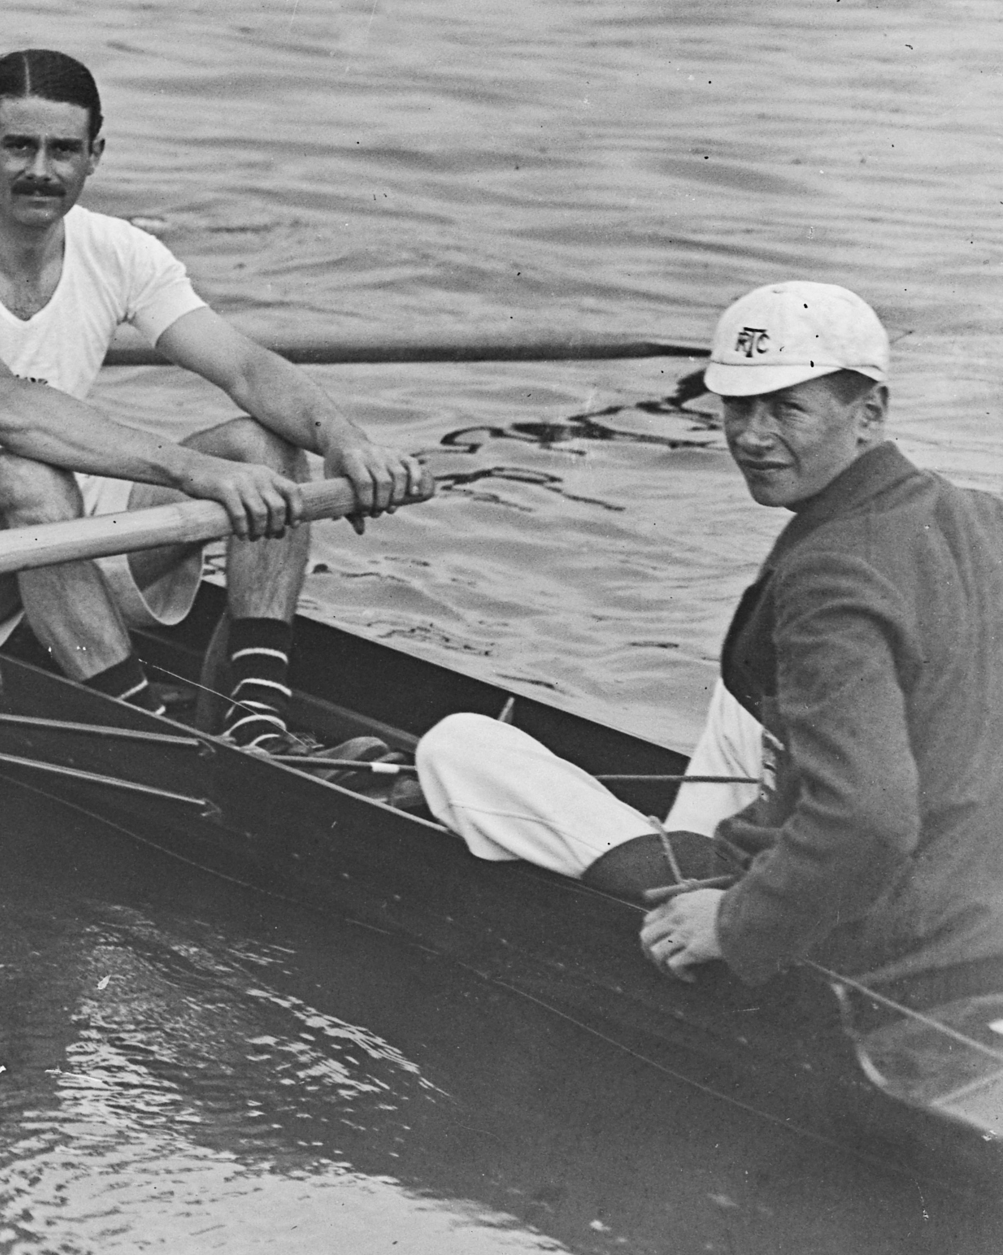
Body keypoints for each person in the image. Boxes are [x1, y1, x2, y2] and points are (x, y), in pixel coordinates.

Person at [413, 283, 1002, 1035]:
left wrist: (735, 923)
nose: (752, 437)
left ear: (872, 413)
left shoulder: (833, 573)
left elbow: (872, 822)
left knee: (457, 745)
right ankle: (691, 850)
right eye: (736, 407)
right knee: (747, 685)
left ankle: (690, 887)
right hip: (978, 928)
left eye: (786, 409)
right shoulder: (981, 516)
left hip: (860, 948)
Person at [0, 48, 422, 747]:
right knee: (31, 474)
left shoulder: (119, 249)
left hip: (55, 515)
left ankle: (258, 717)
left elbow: (247, 370)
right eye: (19, 146)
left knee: (262, 445)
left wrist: (345, 440)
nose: (41, 171)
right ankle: (144, 732)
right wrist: (190, 470)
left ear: (95, 154)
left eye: (63, 150)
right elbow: (1, 406)